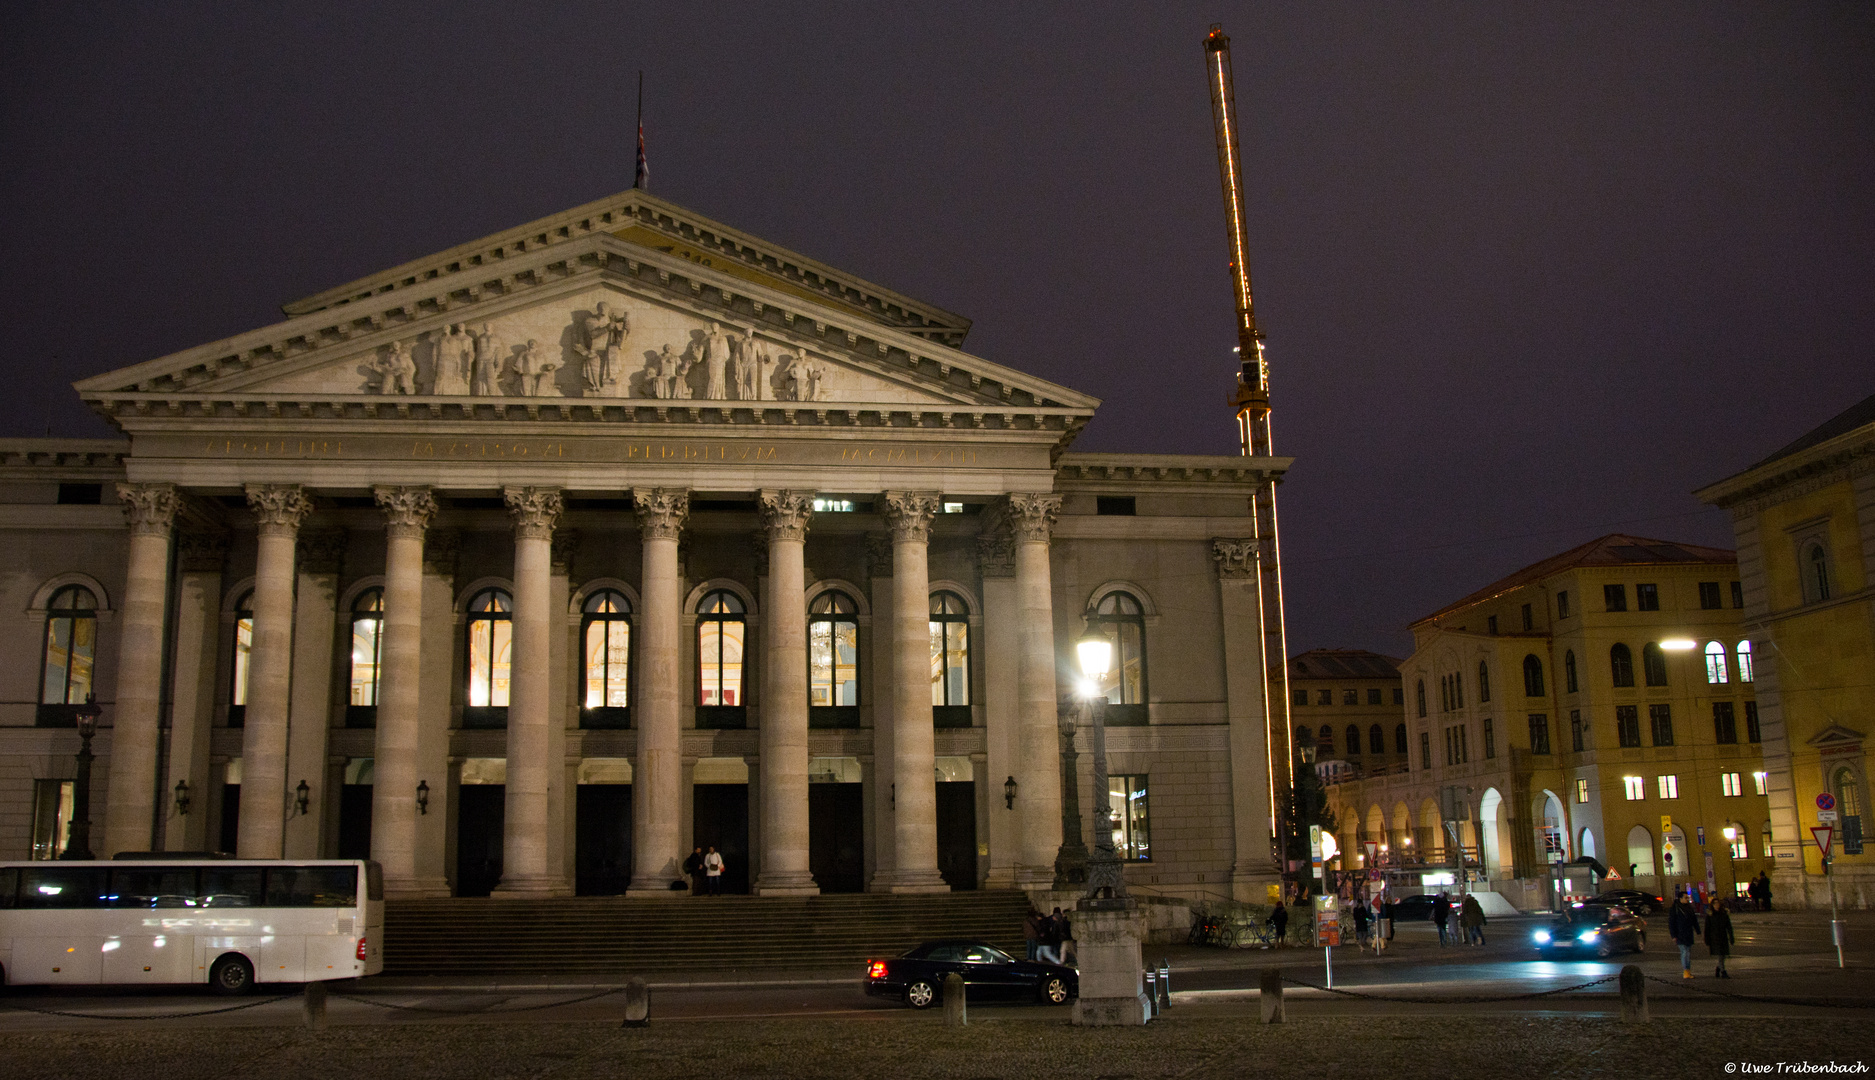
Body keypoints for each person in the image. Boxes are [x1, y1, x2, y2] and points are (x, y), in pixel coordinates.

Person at [1667, 890, 1700, 978]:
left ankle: (1688, 971)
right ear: (1680, 898)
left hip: (1688, 933)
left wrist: (1698, 930)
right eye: (1686, 898)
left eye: (1688, 897)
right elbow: (1671, 922)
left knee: (1688, 952)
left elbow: (1694, 920)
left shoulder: (1689, 908)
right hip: (1680, 934)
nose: (1687, 899)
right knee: (1685, 952)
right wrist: (1673, 935)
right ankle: (1686, 971)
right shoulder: (1675, 908)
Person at [1705, 897, 1736, 978]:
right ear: (1712, 905)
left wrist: (1731, 937)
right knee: (1720, 954)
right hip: (1714, 937)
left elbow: (1728, 926)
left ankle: (1718, 967)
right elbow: (1707, 928)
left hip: (1723, 937)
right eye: (1715, 904)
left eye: (1718, 903)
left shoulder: (1723, 914)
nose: (1716, 905)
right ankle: (1723, 971)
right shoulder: (1710, 915)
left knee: (1724, 954)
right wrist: (1707, 939)